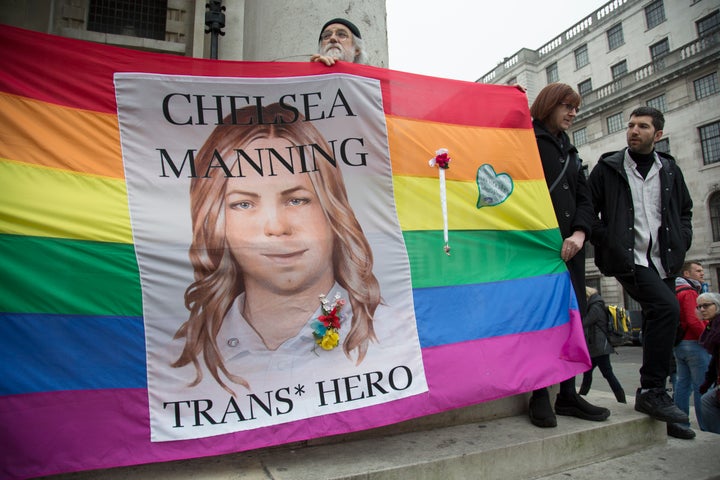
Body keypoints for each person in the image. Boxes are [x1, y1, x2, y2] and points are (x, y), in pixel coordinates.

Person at [171, 102, 382, 394]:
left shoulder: (390, 335)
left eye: (296, 200)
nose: (276, 227)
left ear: (332, 209)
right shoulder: (182, 355)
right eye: (244, 204)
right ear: (216, 222)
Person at [587, 106, 693, 425]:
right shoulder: (608, 167)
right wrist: (611, 240)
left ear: (657, 135)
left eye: (642, 126)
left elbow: (685, 211)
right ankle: (652, 390)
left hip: (665, 259)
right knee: (666, 309)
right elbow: (588, 210)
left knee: (661, 321)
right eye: (630, 125)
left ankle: (663, 411)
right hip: (630, 259)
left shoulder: (670, 169)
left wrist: (684, 239)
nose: (633, 131)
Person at [527, 83, 610, 428]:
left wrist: (579, 233)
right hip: (537, 251)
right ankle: (538, 395)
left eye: (576, 107)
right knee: (539, 323)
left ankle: (568, 394)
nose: (574, 113)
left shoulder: (572, 153)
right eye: (567, 106)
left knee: (569, 321)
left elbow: (585, 200)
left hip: (571, 252)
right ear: (548, 106)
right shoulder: (525, 140)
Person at [671, 261, 710, 437]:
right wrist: (709, 338)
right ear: (686, 274)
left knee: (682, 385)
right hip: (693, 343)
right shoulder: (688, 292)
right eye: (698, 271)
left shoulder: (674, 290)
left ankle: (680, 421)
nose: (702, 274)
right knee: (701, 386)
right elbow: (694, 320)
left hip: (679, 343)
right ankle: (707, 425)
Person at [579, 287, 626, 403]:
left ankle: (621, 399)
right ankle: (581, 396)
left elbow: (586, 322)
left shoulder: (596, 306)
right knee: (588, 371)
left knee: (607, 373)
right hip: (595, 347)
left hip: (600, 347)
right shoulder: (595, 304)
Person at [698, 292, 720, 434]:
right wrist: (707, 382)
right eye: (699, 307)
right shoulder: (712, 325)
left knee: (707, 401)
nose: (702, 310)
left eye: (706, 306)